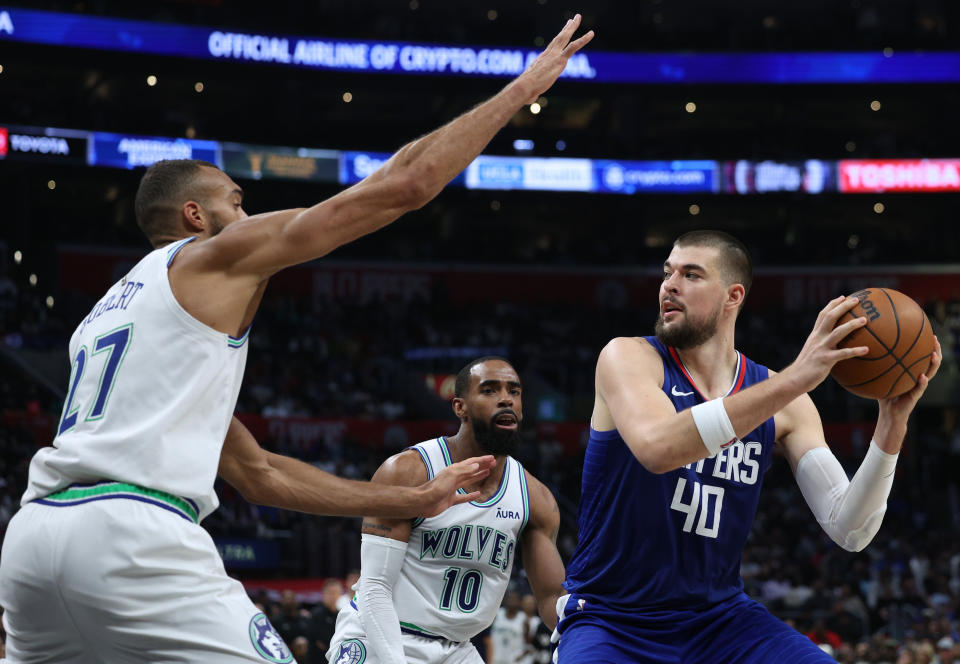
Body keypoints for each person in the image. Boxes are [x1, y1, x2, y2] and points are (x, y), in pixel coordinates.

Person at [0, 15, 594, 662]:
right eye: (236, 201)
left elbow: (258, 475)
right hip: (131, 533)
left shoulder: (107, 318)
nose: (247, 217)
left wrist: (411, 498)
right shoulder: (214, 253)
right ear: (196, 216)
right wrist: (521, 89)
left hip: (32, 542)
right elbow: (406, 187)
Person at [554, 230, 942, 662]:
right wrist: (795, 378)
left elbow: (850, 528)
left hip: (720, 621)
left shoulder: (787, 401)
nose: (670, 284)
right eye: (668, 273)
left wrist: (891, 422)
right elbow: (658, 448)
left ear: (732, 296)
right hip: (614, 620)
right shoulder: (628, 358)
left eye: (691, 274)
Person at [327, 357, 566, 664]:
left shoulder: (536, 498)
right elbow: (375, 588)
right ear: (460, 407)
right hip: (379, 633)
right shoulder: (408, 471)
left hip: (456, 648)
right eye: (490, 390)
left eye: (514, 391)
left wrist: (588, 633)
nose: (506, 398)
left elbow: (551, 599)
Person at [488, 591, 528, 664]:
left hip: (514, 660)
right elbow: (488, 636)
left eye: (514, 599)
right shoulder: (497, 613)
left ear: (519, 602)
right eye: (510, 599)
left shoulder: (523, 618)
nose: (512, 601)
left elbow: (529, 643)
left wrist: (521, 656)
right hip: (496, 658)